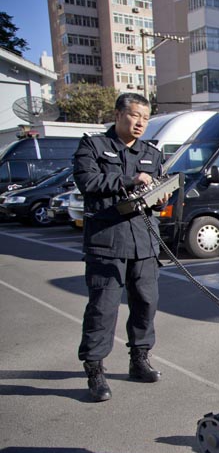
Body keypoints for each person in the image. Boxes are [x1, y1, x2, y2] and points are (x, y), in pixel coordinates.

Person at [74, 93, 169, 402]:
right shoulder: (93, 146)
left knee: (146, 303)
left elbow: (153, 192)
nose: (140, 122)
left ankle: (139, 359)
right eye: (134, 115)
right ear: (118, 115)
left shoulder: (151, 152)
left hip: (144, 242)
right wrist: (130, 179)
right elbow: (87, 182)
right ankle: (95, 371)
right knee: (102, 309)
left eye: (145, 117)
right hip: (107, 242)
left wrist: (162, 196)